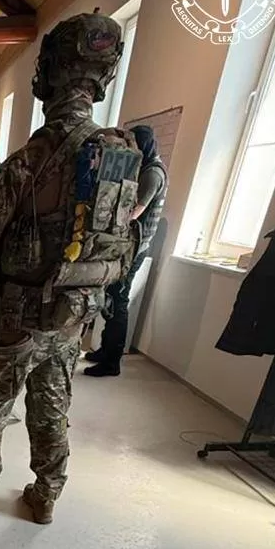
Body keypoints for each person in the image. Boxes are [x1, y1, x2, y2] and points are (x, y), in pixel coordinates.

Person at [0, 12, 140, 540]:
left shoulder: (27, 161)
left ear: (48, 75)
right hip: (71, 319)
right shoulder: (117, 155)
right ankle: (46, 496)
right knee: (52, 409)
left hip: (12, 319)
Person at [84, 123, 168, 377]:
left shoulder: (152, 174)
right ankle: (105, 350)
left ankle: (112, 361)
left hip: (134, 249)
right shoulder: (147, 168)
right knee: (111, 298)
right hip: (127, 246)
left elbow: (133, 213)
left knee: (118, 300)